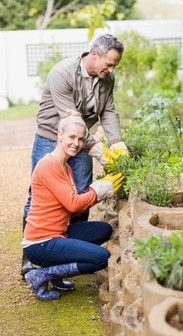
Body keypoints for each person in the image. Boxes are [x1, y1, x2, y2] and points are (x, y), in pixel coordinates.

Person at [21, 33, 128, 279]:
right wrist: (100, 152)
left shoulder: (106, 79)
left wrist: (118, 143)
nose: (111, 70)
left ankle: (67, 252)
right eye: (108, 64)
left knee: (80, 191)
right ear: (93, 54)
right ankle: (30, 258)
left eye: (115, 66)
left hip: (80, 140)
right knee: (37, 195)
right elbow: (72, 121)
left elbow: (108, 111)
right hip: (54, 137)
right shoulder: (62, 73)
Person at [22, 112, 124, 300]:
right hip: (40, 243)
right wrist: (100, 190)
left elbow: (74, 208)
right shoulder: (48, 165)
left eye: (80, 139)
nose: (76, 143)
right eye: (71, 137)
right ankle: (41, 274)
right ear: (59, 135)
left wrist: (100, 190)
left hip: (58, 233)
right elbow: (72, 203)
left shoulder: (66, 167)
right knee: (102, 257)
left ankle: (55, 272)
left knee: (103, 230)